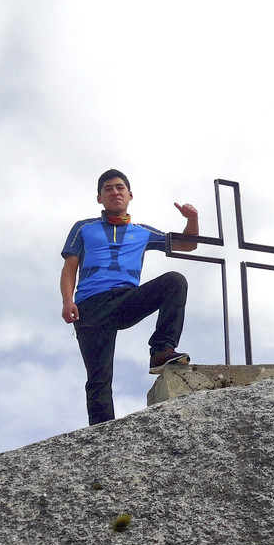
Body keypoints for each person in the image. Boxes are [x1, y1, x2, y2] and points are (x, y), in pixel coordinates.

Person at [61, 169, 199, 425]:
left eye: (120, 187)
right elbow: (70, 267)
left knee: (174, 281)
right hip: (90, 306)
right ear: (100, 198)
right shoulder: (84, 228)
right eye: (108, 189)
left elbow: (188, 244)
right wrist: (67, 301)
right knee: (99, 378)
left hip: (125, 299)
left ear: (130, 195)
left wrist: (192, 219)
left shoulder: (142, 231)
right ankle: (103, 434)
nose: (115, 192)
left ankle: (161, 350)